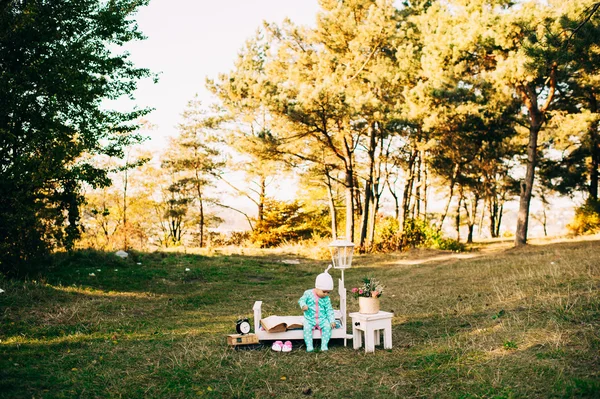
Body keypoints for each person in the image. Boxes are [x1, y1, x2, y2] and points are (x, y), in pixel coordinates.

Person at [298, 265, 337, 352]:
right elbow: (301, 300)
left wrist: (332, 320)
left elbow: (329, 310)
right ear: (317, 287)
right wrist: (303, 305)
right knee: (307, 328)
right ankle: (309, 345)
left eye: (328, 292)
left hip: (322, 319)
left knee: (327, 327)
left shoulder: (326, 299)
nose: (326, 294)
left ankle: (324, 345)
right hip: (310, 318)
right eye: (324, 291)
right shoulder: (308, 293)